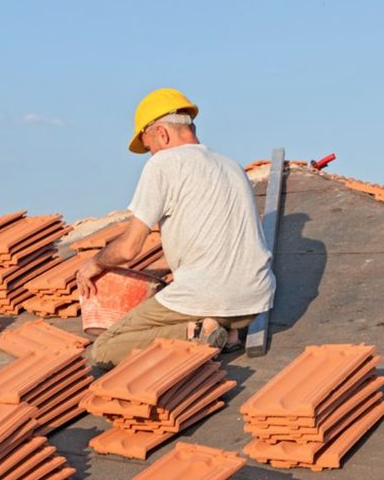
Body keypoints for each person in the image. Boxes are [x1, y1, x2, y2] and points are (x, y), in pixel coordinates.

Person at [77, 87, 275, 368]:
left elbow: (129, 248)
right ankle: (228, 334)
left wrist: (95, 264)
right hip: (255, 301)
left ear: (161, 133)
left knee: (104, 348)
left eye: (148, 147)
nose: (150, 154)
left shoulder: (163, 164)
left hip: (209, 297)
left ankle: (195, 333)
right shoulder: (231, 165)